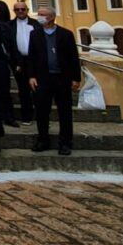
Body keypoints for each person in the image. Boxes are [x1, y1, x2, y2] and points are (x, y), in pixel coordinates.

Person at [28, 8, 82, 155]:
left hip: (62, 78)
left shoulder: (66, 34)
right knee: (42, 111)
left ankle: (65, 142)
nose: (39, 17)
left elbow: (73, 57)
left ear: (52, 17)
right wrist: (31, 76)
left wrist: (76, 78)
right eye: (39, 14)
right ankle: (43, 140)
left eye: (43, 15)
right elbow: (31, 56)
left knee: (64, 111)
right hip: (42, 78)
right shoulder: (35, 34)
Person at [10, 0, 39, 124]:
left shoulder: (36, 24)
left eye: (22, 9)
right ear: (14, 11)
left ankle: (41, 116)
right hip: (19, 61)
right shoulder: (10, 25)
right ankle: (26, 116)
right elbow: (10, 45)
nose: (20, 11)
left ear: (27, 10)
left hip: (35, 60)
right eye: (17, 9)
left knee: (38, 89)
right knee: (23, 90)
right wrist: (17, 61)